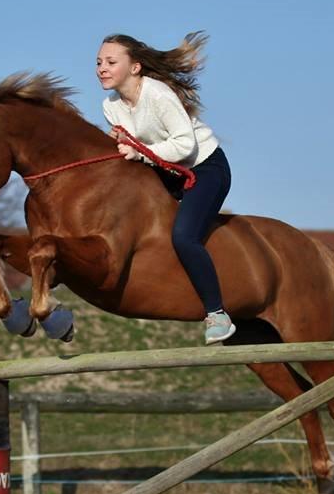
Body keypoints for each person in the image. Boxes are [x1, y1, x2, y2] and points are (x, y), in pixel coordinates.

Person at [96, 31, 236, 345]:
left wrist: (141, 152)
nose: (102, 68)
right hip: (164, 169)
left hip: (204, 168)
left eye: (110, 62)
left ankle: (217, 313)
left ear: (134, 68)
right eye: (99, 62)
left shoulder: (157, 94)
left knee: (183, 237)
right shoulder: (111, 105)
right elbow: (135, 146)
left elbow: (185, 144)